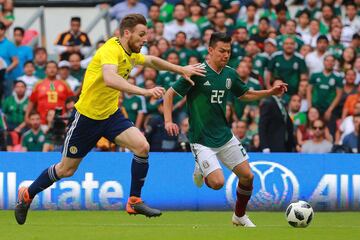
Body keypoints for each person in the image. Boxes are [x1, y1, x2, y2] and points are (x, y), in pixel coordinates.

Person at [15, 14, 205, 224]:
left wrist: (181, 69)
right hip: (87, 118)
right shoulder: (110, 49)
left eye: (146, 35)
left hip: (111, 115)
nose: (145, 39)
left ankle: (134, 200)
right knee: (66, 169)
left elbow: (150, 60)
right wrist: (144, 91)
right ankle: (27, 194)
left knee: (142, 146)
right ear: (126, 33)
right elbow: (110, 78)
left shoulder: (131, 52)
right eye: (141, 35)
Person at [163, 32, 287, 227]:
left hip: (224, 135)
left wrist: (269, 92)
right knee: (217, 183)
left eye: (228, 51)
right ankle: (201, 168)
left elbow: (244, 94)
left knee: (248, 176)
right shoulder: (196, 72)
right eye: (222, 51)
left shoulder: (230, 73)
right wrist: (169, 121)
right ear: (210, 50)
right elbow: (169, 94)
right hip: (201, 138)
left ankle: (239, 216)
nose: (226, 55)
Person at [259, 78, 295, 153]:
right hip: (272, 146)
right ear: (272, 88)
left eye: (282, 86)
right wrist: (264, 146)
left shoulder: (283, 104)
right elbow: (262, 125)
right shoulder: (268, 103)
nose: (280, 88)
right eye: (278, 86)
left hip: (284, 145)